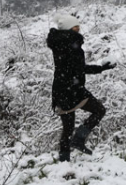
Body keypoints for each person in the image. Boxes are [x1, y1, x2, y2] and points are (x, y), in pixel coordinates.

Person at [46, 13, 116, 162]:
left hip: (61, 89)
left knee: (68, 128)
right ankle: (78, 139)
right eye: (75, 27)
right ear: (68, 29)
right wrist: (102, 68)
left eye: (78, 27)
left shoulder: (59, 43)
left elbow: (73, 68)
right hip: (73, 90)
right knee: (99, 110)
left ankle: (64, 160)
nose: (78, 30)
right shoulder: (71, 45)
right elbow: (80, 68)